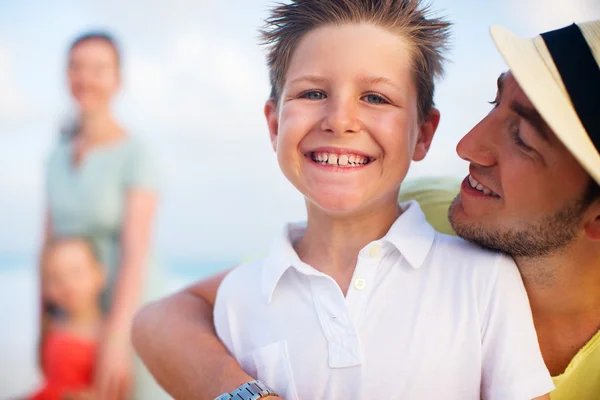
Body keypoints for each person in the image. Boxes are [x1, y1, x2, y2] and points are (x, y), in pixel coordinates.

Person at [132, 15, 600, 400]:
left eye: (524, 138)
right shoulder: (439, 200)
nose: (466, 146)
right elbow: (164, 317)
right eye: (313, 93)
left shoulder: (481, 281)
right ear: (273, 123)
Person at [42, 31, 168, 400]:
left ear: (118, 79)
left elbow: (135, 251)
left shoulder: (137, 154)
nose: (86, 78)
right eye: (76, 67)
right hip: (73, 312)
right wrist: (45, 325)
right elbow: (46, 246)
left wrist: (116, 338)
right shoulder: (55, 157)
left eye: (99, 68)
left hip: (130, 308)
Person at [31, 238, 106, 400]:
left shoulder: (107, 334)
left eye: (76, 272)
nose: (67, 284)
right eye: (56, 278)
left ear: (99, 274)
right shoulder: (51, 324)